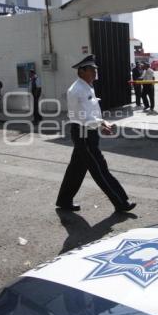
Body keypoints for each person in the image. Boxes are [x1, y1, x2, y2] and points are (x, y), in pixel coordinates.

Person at [55, 54, 136, 213]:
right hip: (83, 133)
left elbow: (93, 111)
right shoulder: (76, 90)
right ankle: (121, 202)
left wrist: (101, 123)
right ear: (81, 71)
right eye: (91, 69)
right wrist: (101, 124)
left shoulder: (88, 86)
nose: (95, 72)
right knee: (100, 168)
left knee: (76, 169)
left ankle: (64, 201)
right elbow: (82, 116)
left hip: (88, 131)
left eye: (95, 69)